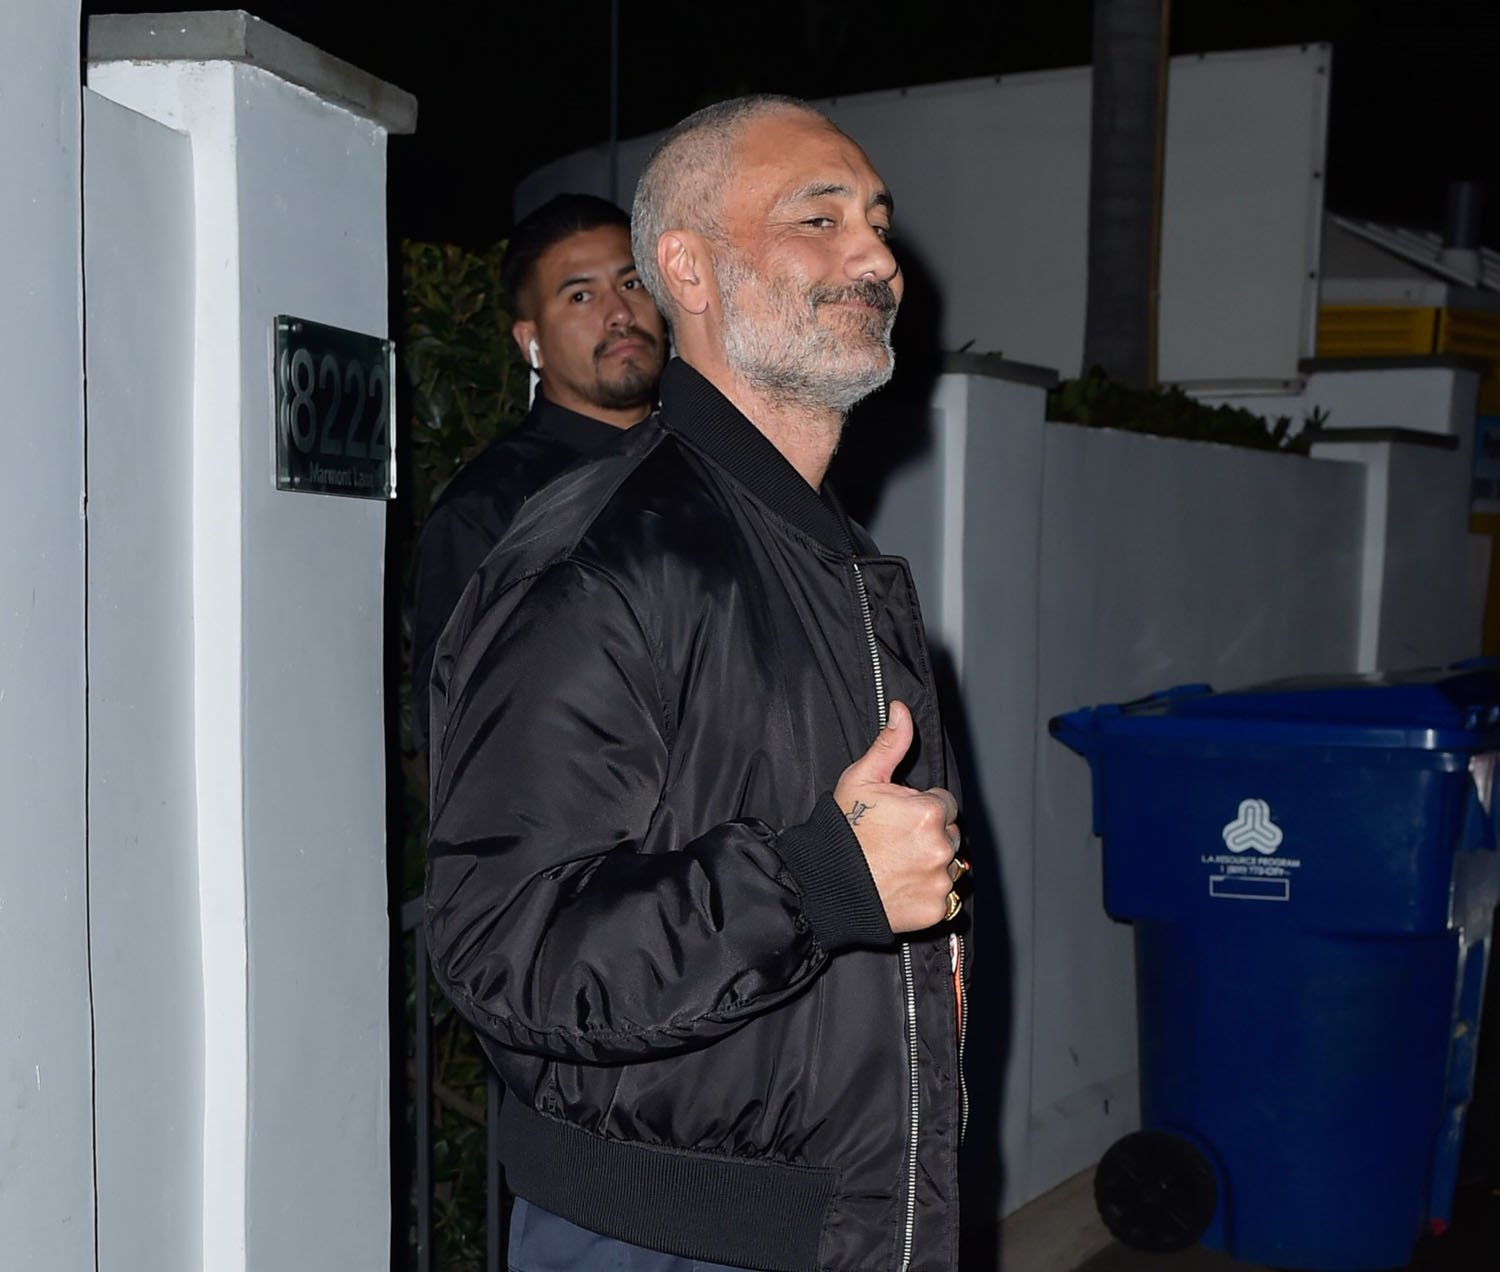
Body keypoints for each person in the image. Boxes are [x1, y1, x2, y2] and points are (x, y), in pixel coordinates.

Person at [426, 95, 969, 1272]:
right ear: (687, 268)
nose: (877, 256)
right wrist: (821, 880)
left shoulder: (824, 555)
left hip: (842, 1226)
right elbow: (505, 948)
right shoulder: (604, 558)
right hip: (659, 1243)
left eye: (877, 222)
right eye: (819, 219)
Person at [407, 193, 666, 751]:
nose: (620, 313)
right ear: (532, 342)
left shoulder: (718, 462)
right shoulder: (488, 510)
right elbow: (455, 731)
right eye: (580, 295)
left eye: (632, 283)